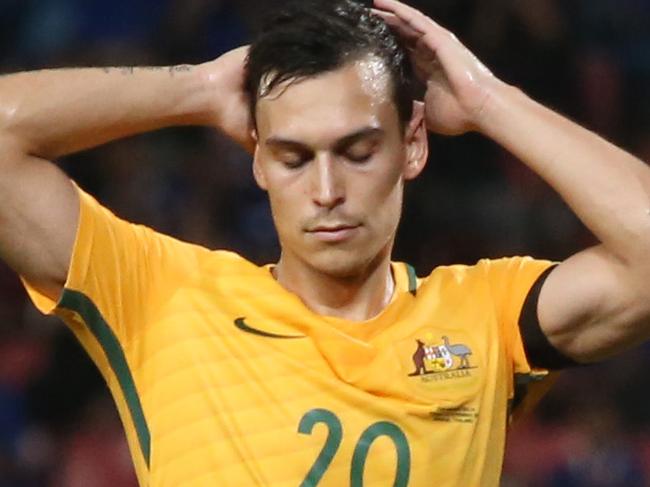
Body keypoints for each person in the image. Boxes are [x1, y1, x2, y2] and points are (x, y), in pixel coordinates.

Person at [1, 0, 649, 485]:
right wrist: (195, 90)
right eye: (292, 157)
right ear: (257, 159)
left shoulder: (487, 315)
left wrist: (489, 99)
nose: (327, 188)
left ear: (412, 143)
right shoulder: (161, 295)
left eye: (358, 151)